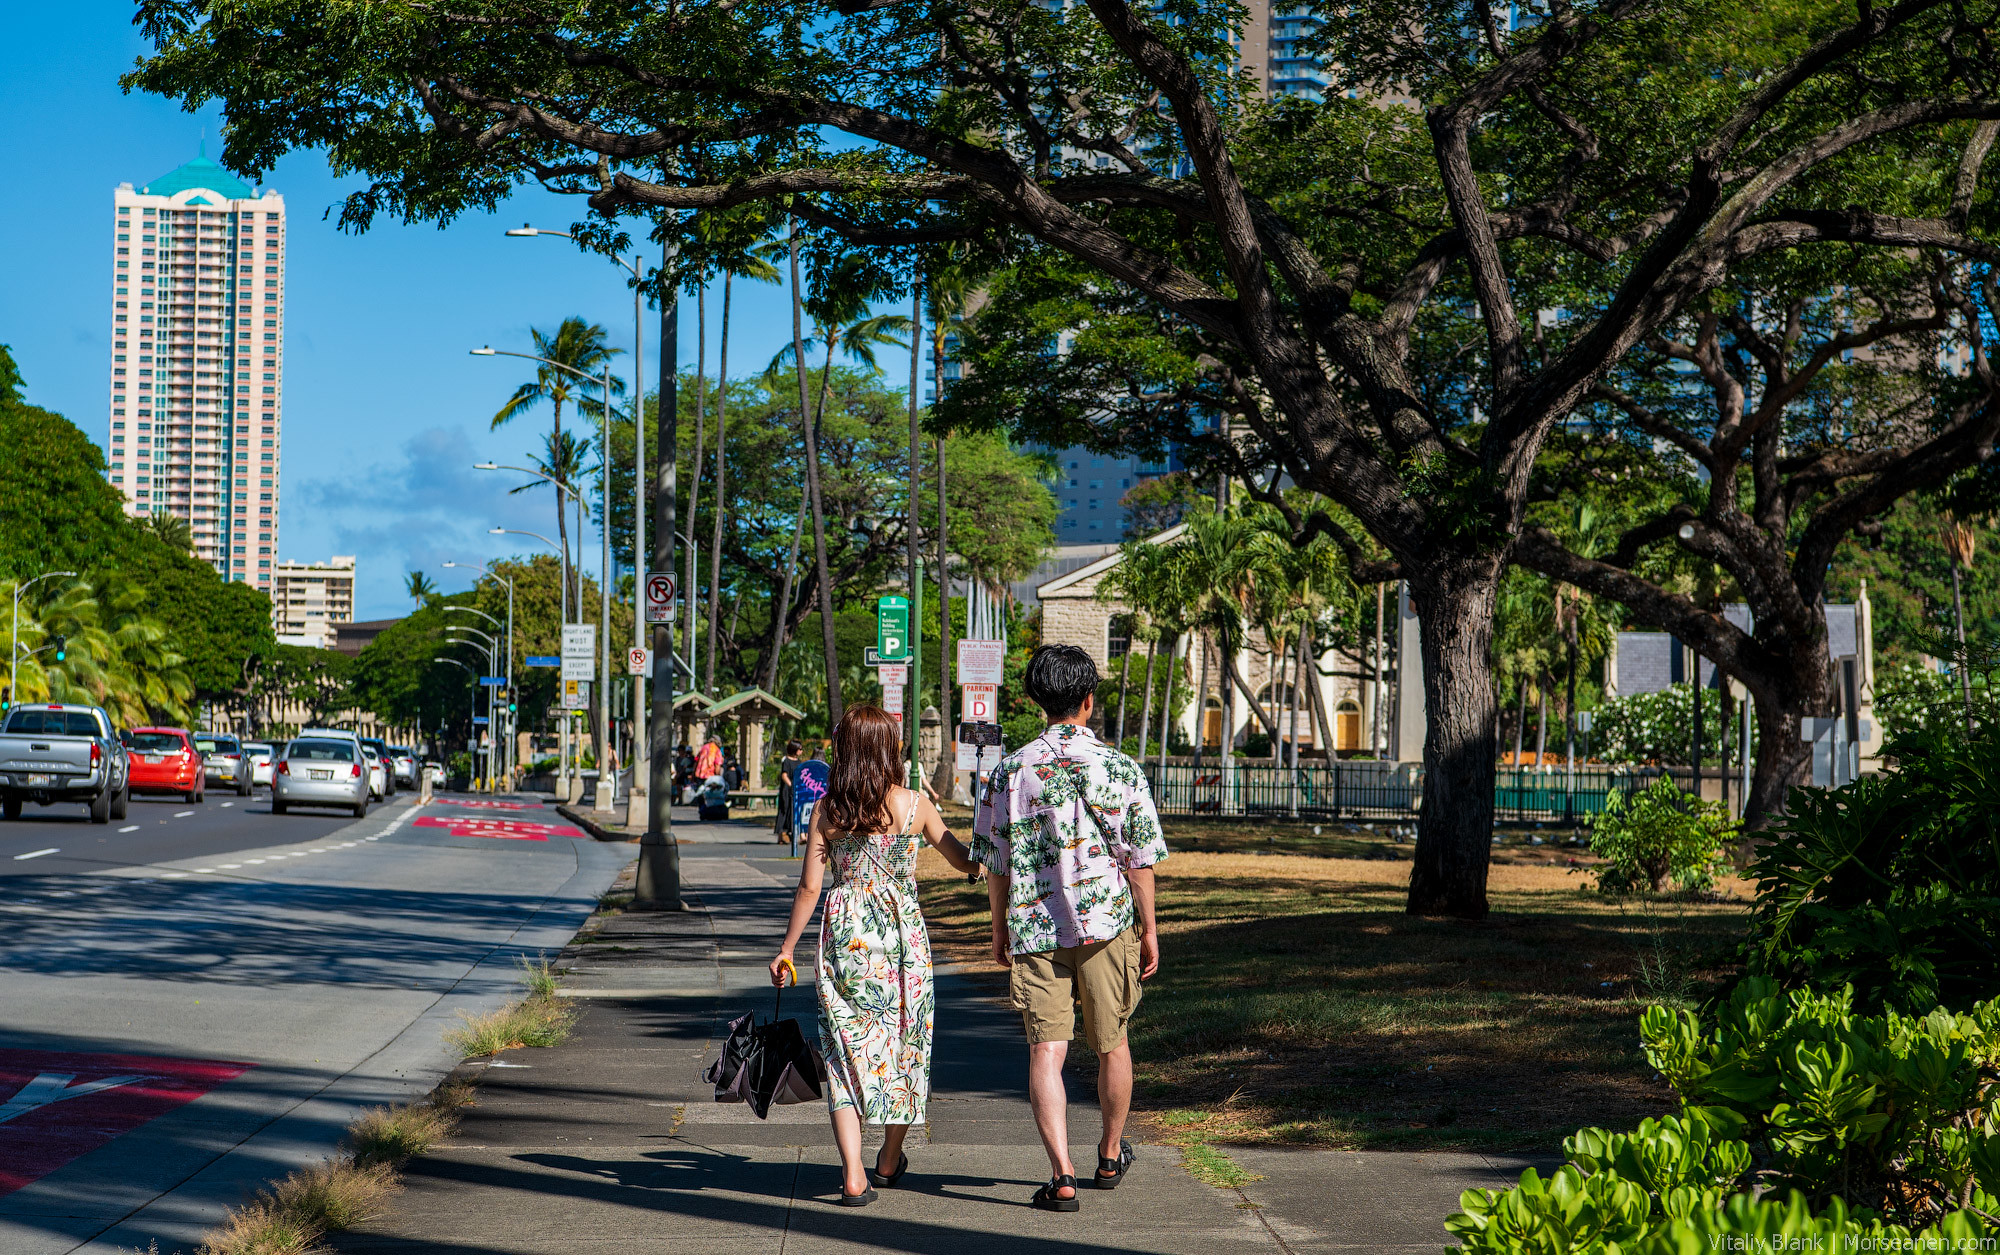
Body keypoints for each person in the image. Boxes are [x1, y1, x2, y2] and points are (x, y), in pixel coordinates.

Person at [971, 644, 1166, 1212]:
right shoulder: (1121, 768)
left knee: (1045, 1052)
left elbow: (996, 863)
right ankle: (1109, 1153)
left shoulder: (1008, 772)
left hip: (1036, 924)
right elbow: (1141, 862)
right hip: (1107, 923)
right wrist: (1149, 927)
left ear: (1036, 703)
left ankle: (1061, 1175)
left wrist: (999, 926)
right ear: (1088, 701)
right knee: (1112, 1043)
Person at [770, 705, 979, 1206]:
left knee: (844, 1054)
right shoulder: (915, 807)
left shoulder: (828, 811)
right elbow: (964, 860)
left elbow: (808, 888)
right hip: (904, 942)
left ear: (845, 749)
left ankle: (853, 1174)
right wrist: (982, 863)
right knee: (906, 1047)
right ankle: (888, 1158)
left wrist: (785, 950)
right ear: (888, 748)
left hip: (846, 939)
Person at [776, 739, 804, 839]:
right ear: (794, 749)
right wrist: (791, 785)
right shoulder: (786, 761)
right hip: (787, 790)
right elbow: (784, 775)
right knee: (784, 809)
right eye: (800, 749)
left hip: (796, 790)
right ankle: (781, 834)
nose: (801, 751)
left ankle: (790, 832)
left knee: (793, 811)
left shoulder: (799, 762)